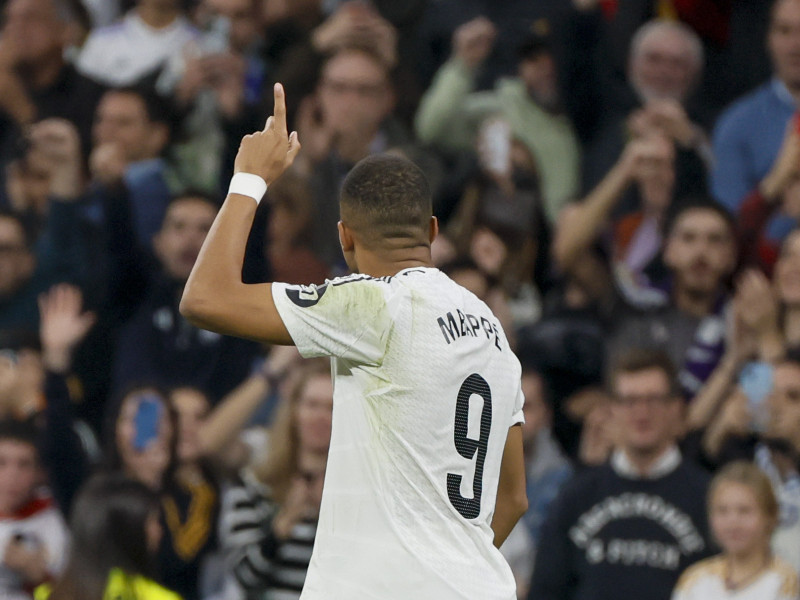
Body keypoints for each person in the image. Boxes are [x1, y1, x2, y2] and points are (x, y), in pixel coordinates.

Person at [180, 83, 528, 598]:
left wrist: (250, 179)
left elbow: (204, 298)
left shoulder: (374, 304)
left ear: (345, 237)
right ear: (432, 230)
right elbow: (513, 499)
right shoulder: (494, 331)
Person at [528, 349, 711, 600]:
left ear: (676, 408)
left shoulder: (707, 497)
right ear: (612, 408)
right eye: (630, 401)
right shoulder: (576, 496)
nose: (642, 412)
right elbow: (545, 591)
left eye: (653, 399)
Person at [37, 473, 181, 600]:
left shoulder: (46, 594)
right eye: (152, 521)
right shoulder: (158, 597)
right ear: (128, 531)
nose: (159, 530)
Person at [672, 461, 799, 600]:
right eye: (722, 511)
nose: (733, 523)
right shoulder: (695, 579)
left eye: (744, 511)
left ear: (769, 516)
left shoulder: (786, 582)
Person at [0, 419, 69, 600]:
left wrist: (39, 577)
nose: (12, 476)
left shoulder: (53, 520)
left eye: (24, 464)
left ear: (40, 472)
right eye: (1, 463)